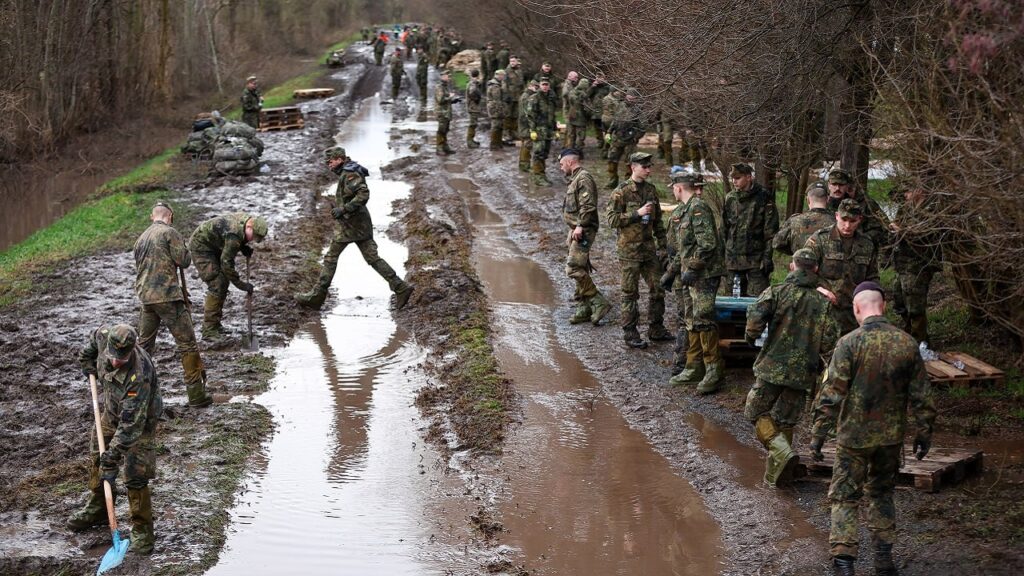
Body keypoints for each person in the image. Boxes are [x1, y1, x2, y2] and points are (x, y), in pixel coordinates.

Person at [810, 282, 936, 576]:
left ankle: (844, 563)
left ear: (856, 308)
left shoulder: (849, 344)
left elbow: (831, 393)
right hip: (890, 439)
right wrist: (924, 432)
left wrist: (818, 435)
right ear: (884, 306)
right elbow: (922, 394)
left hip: (853, 439)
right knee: (882, 494)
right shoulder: (907, 343)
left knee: (844, 496)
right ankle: (883, 560)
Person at [743, 248, 838, 486]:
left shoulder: (776, 291)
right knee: (786, 420)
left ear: (792, 266)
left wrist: (751, 338)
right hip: (803, 371)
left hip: (771, 367)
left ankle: (781, 452)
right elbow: (829, 341)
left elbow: (754, 322)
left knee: (754, 411)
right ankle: (778, 477)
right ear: (816, 269)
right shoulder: (823, 301)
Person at [68, 325, 162, 555]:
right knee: (96, 453)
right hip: (111, 410)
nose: (117, 362)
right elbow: (90, 346)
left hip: (140, 420)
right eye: (113, 357)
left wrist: (112, 458)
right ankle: (99, 508)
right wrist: (86, 362)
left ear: (132, 351)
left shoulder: (139, 376)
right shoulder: (103, 335)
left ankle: (142, 531)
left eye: (123, 358)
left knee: (135, 472)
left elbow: (130, 427)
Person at [295, 146, 414, 310]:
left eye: (330, 162)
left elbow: (363, 194)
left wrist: (344, 209)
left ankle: (317, 297)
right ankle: (400, 287)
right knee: (372, 258)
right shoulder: (348, 171)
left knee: (330, 258)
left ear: (339, 159)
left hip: (351, 225)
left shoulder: (350, 173)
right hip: (359, 224)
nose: (329, 165)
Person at [133, 201, 213, 407]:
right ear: (170, 216)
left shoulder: (141, 238)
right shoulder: (170, 232)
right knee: (187, 344)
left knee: (143, 347)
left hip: (146, 298)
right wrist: (184, 248)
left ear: (153, 216)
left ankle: (136, 395)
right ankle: (196, 394)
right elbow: (184, 261)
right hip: (168, 296)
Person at [662, 171, 726, 391]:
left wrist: (693, 267)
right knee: (692, 319)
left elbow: (707, 244)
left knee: (704, 318)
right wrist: (671, 273)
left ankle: (713, 371)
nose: (673, 190)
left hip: (704, 275)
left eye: (673, 187)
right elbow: (683, 248)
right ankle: (693, 366)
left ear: (679, 188)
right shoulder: (684, 210)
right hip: (690, 275)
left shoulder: (698, 208)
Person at [605, 152, 671, 349]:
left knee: (658, 289)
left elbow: (658, 221)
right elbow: (612, 220)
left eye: (649, 166)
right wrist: (637, 213)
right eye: (645, 167)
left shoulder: (651, 190)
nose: (648, 170)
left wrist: (663, 246)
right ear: (633, 167)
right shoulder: (621, 192)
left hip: (649, 250)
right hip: (629, 251)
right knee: (630, 293)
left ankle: (656, 328)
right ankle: (630, 332)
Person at [804, 199, 880, 335]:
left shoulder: (867, 244)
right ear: (836, 216)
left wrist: (871, 300)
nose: (847, 225)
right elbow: (803, 273)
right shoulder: (820, 240)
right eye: (844, 220)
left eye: (853, 221)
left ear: (860, 219)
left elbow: (872, 277)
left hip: (853, 313)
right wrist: (821, 290)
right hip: (823, 310)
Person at [188, 213, 268, 339]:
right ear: (250, 227)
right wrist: (241, 285)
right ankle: (209, 330)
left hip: (214, 246)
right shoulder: (234, 235)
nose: (252, 240)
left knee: (223, 282)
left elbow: (230, 238)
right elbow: (227, 264)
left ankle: (216, 325)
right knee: (217, 283)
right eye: (253, 236)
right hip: (201, 248)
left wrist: (243, 247)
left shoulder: (243, 223)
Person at [560, 148, 611, 326]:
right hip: (575, 229)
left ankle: (598, 302)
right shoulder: (575, 179)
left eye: (561, 164)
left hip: (583, 230)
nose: (561, 168)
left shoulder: (583, 178)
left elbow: (588, 206)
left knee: (573, 268)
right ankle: (584, 306)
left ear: (570, 161)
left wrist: (580, 226)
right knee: (580, 266)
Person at [890, 186, 943, 344]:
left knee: (915, 305)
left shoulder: (932, 210)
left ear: (919, 190)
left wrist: (902, 230)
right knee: (899, 298)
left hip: (920, 264)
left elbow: (926, 235)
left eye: (908, 190)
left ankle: (920, 342)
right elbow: (896, 224)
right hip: (903, 263)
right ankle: (909, 335)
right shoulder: (906, 208)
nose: (905, 194)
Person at [723, 163, 780, 296]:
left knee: (759, 301)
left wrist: (767, 258)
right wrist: (722, 256)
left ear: (749, 177)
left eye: (737, 178)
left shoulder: (763, 197)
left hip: (756, 260)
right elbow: (724, 229)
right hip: (733, 260)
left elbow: (771, 232)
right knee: (732, 302)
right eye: (732, 178)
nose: (734, 181)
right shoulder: (730, 198)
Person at [826, 168, 889, 250]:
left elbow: (883, 228)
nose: (837, 188)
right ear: (828, 185)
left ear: (847, 186)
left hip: (859, 249)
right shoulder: (822, 201)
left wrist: (861, 239)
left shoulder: (864, 203)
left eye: (841, 185)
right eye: (834, 184)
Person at [773, 181, 833, 256]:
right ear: (827, 199)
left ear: (807, 200)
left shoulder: (794, 221)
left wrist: (795, 251)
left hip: (801, 265)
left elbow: (776, 243)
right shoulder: (836, 222)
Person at [605, 89, 642, 190]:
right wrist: (609, 132)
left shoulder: (638, 110)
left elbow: (642, 127)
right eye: (629, 97)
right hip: (617, 138)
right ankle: (612, 181)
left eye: (633, 98)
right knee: (611, 159)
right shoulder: (620, 106)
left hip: (630, 140)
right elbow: (615, 121)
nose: (630, 99)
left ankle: (628, 183)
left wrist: (636, 137)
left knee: (630, 162)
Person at [526, 77, 557, 186]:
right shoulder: (534, 98)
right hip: (539, 131)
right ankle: (538, 177)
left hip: (548, 131)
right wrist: (532, 130)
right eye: (543, 84)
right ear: (539, 85)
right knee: (538, 153)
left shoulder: (550, 99)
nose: (545, 86)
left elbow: (553, 116)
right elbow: (530, 116)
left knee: (544, 153)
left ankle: (542, 175)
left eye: (546, 84)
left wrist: (555, 130)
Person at [517, 80, 538, 172]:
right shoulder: (526, 97)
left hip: (524, 124)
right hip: (525, 124)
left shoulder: (527, 96)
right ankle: (524, 165)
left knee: (525, 144)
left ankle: (524, 164)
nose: (536, 89)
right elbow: (525, 114)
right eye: (535, 87)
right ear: (530, 86)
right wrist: (530, 126)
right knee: (527, 144)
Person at [434, 68, 456, 155]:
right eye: (448, 76)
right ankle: (439, 148)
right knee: (441, 130)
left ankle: (445, 146)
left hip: (446, 112)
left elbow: (445, 99)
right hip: (441, 112)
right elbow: (440, 100)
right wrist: (450, 97)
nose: (449, 78)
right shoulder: (439, 87)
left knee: (446, 129)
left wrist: (453, 100)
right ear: (443, 77)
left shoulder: (445, 86)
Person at [566, 78, 590, 150]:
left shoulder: (584, 93)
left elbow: (588, 106)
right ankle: (570, 151)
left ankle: (578, 151)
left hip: (582, 118)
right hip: (573, 117)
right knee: (572, 136)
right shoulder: (573, 92)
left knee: (581, 137)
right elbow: (574, 100)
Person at [486, 69, 507, 150]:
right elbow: (497, 99)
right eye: (503, 76)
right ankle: (494, 144)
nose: (503, 77)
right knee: (496, 126)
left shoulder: (497, 84)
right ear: (499, 76)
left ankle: (498, 143)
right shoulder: (495, 86)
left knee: (499, 126)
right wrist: (501, 111)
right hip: (495, 108)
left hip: (495, 107)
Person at [465, 68, 484, 148]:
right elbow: (472, 92)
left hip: (473, 106)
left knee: (474, 124)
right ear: (478, 75)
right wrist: (477, 99)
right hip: (473, 107)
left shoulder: (473, 83)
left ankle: (471, 139)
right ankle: (469, 141)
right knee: (472, 124)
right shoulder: (472, 84)